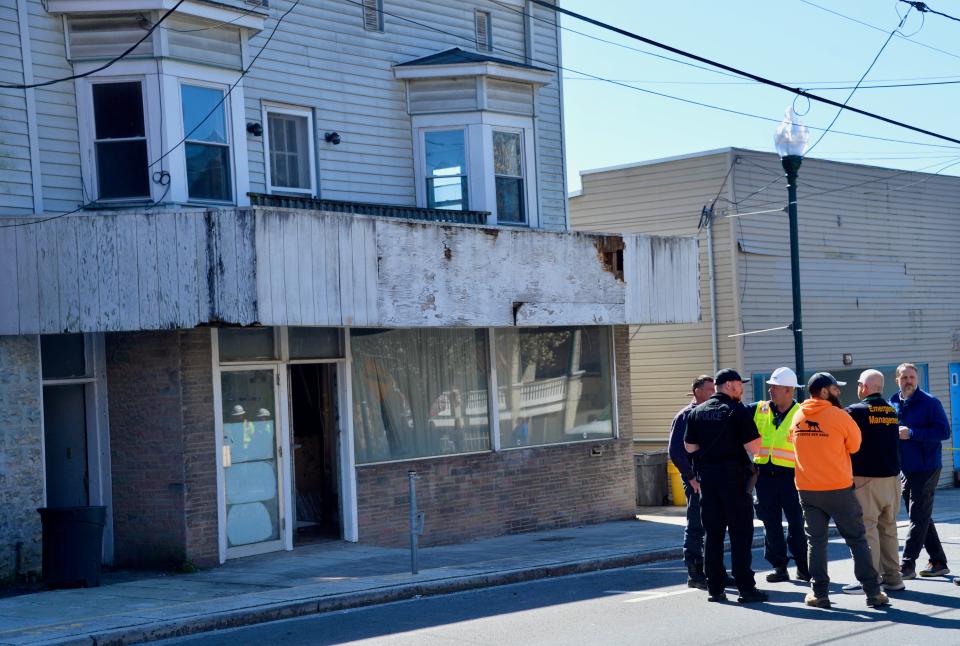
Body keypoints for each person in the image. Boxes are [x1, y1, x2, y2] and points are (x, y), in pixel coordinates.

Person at [790, 372, 889, 609]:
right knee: (856, 540)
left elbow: (791, 441)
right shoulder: (839, 416)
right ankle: (873, 593)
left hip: (808, 490)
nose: (838, 393)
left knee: (816, 542)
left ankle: (819, 594)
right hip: (838, 489)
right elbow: (855, 446)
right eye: (835, 389)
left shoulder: (798, 415)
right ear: (824, 391)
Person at [684, 369, 767, 604]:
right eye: (740, 384)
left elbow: (689, 448)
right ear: (730, 385)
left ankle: (715, 588)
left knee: (713, 535)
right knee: (740, 535)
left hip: (708, 481)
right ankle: (745, 589)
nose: (742, 388)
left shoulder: (697, 412)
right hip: (735, 481)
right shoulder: (737, 411)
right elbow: (754, 447)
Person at [842, 369, 904, 594]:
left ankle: (870, 579)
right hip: (892, 479)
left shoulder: (855, 411)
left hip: (866, 479)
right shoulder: (891, 410)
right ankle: (894, 578)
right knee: (888, 529)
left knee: (867, 529)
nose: (858, 387)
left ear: (865, 387)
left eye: (859, 384)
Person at [891, 362, 952, 579]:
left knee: (917, 515)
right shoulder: (893, 402)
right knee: (921, 515)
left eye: (912, 377)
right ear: (897, 379)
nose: (909, 381)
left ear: (917, 380)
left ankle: (907, 565)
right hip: (906, 469)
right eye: (904, 377)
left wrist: (913, 433)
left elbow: (944, 431)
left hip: (927, 467)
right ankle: (938, 561)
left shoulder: (930, 402)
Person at [749, 367, 809, 583]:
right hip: (764, 476)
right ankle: (779, 567)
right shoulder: (760, 409)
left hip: (791, 477)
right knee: (770, 523)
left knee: (796, 523)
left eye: (775, 387)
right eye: (771, 387)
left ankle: (803, 567)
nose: (771, 390)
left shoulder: (801, 413)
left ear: (789, 390)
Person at [667, 374, 716, 589]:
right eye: (709, 389)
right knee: (696, 524)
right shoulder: (685, 416)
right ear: (697, 391)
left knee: (713, 526)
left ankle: (714, 571)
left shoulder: (712, 414)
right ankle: (694, 573)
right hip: (695, 478)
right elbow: (675, 451)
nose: (713, 393)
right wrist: (690, 477)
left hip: (711, 476)